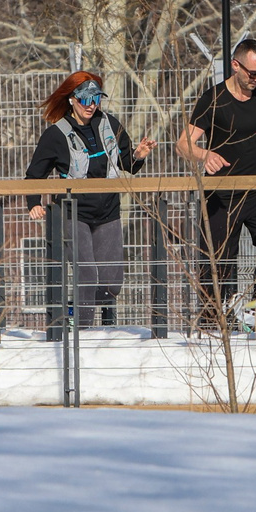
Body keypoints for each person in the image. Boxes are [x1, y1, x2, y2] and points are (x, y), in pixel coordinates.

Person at [177, 36, 256, 331]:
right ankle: (213, 323)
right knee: (218, 262)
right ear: (235, 66)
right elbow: (183, 144)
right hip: (220, 195)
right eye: (253, 73)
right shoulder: (214, 98)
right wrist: (204, 154)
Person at [26, 71, 155, 325]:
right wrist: (34, 203)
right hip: (74, 213)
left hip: (107, 211)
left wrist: (139, 154)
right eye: (85, 99)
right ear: (72, 99)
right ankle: (83, 333)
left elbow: (127, 163)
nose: (91, 104)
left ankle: (90, 321)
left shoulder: (110, 124)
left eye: (96, 98)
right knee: (87, 275)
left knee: (112, 281)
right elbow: (34, 175)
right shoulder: (56, 134)